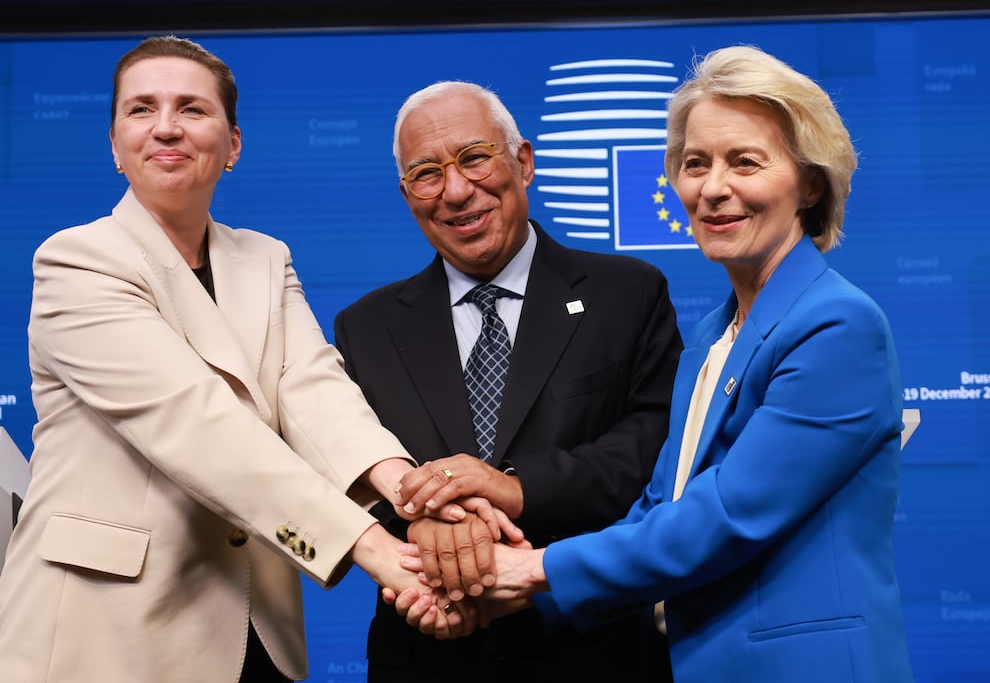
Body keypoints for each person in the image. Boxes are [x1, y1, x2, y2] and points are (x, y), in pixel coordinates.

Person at [441, 45, 916, 681]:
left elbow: (727, 515)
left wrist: (530, 569)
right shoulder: (712, 336)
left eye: (745, 162)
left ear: (809, 182)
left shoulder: (837, 324)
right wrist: (509, 603)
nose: (713, 189)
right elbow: (660, 511)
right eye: (696, 164)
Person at [0, 35, 456, 683]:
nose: (165, 127)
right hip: (107, 632)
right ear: (113, 147)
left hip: (254, 629)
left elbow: (313, 389)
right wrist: (371, 546)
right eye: (140, 109)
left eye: (191, 108)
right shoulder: (77, 260)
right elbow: (198, 425)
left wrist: (408, 492)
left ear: (233, 145)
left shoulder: (265, 257)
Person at [333, 80, 683, 682]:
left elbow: (653, 448)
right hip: (425, 648)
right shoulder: (366, 328)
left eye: (474, 158)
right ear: (406, 193)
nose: (457, 191)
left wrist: (514, 489)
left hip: (593, 649)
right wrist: (432, 535)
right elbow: (349, 467)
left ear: (523, 162)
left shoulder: (628, 294)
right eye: (426, 173)